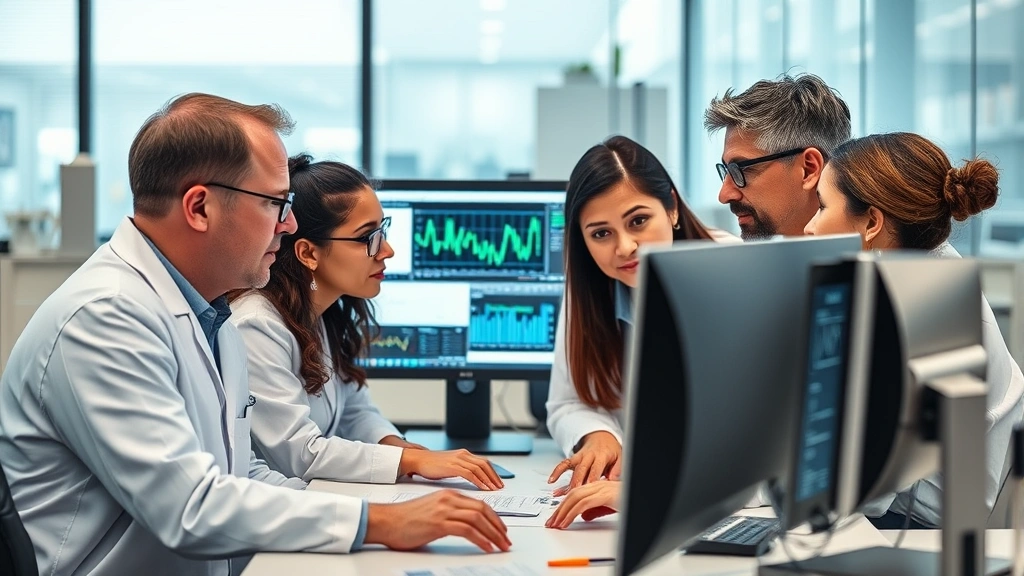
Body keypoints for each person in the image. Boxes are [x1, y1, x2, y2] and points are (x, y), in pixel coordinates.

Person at [0, 93, 509, 576]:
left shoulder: (209, 312)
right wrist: (378, 521)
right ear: (200, 208)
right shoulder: (105, 317)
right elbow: (190, 508)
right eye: (275, 202)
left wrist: (389, 508)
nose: (289, 225)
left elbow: (243, 474)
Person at [228, 155, 504, 491]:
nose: (387, 251)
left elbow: (354, 413)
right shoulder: (257, 327)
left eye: (382, 230)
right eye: (367, 237)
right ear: (309, 254)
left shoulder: (324, 314)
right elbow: (301, 454)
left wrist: (407, 450)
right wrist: (410, 462)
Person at [804, 131, 1024, 528]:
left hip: (921, 529)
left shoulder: (923, 312)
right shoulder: (928, 270)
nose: (809, 227)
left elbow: (864, 488)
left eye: (821, 207)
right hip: (911, 513)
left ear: (872, 222)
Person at [544, 135, 738, 494]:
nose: (624, 247)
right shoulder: (591, 290)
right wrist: (598, 436)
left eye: (638, 221)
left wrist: (647, 489)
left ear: (672, 208)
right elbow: (566, 403)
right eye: (601, 233)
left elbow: (752, 441)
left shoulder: (734, 271)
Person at [704, 73, 852, 240]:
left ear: (809, 169)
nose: (724, 195)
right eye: (727, 171)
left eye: (743, 169)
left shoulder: (870, 255)